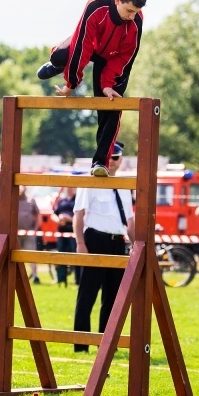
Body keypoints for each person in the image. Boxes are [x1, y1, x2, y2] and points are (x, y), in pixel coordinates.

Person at [36, 0, 147, 177]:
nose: (132, 16)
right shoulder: (96, 6)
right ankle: (56, 64)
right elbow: (82, 46)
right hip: (90, 43)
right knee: (61, 56)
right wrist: (71, 83)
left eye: (135, 12)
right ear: (118, 0)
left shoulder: (136, 19)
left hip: (113, 58)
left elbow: (126, 57)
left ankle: (100, 163)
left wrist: (106, 85)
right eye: (129, 10)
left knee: (111, 107)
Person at [73, 142, 135, 352]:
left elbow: (130, 220)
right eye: (110, 158)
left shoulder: (125, 186)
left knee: (113, 296)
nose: (114, 163)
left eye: (117, 158)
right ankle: (81, 345)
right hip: (95, 239)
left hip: (117, 241)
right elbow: (79, 214)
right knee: (88, 294)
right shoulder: (90, 182)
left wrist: (137, 246)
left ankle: (107, 344)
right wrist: (80, 243)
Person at [53, 186, 80, 287]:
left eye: (71, 187)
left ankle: (78, 280)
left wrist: (69, 219)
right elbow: (54, 214)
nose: (69, 189)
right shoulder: (61, 201)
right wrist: (59, 220)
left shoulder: (77, 200)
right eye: (68, 187)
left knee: (76, 257)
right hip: (61, 232)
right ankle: (61, 279)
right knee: (61, 256)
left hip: (73, 232)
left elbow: (82, 215)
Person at [17, 186, 41, 283]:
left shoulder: (31, 200)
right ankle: (17, 276)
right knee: (15, 255)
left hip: (29, 232)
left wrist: (35, 229)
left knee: (31, 254)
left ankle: (35, 276)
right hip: (15, 233)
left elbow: (38, 215)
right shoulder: (12, 199)